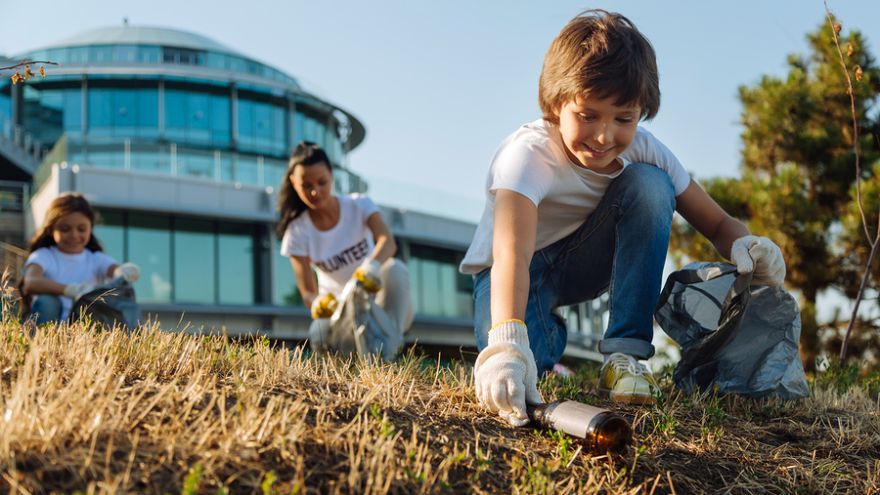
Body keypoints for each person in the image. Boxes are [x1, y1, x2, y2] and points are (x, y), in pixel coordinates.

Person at [459, 10, 787, 426]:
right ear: (557, 103)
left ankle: (625, 356)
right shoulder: (526, 155)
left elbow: (719, 224)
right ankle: (546, 334)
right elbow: (511, 254)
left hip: (582, 259)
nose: (603, 136)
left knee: (651, 185)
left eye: (623, 119)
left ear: (640, 113)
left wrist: (748, 246)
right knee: (526, 368)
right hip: (514, 269)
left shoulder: (647, 151)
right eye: (587, 115)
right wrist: (506, 342)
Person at [277, 141, 414, 352]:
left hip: (378, 303)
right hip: (340, 312)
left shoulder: (359, 205)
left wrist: (371, 267)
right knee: (318, 332)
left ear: (331, 175)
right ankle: (343, 367)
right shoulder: (297, 231)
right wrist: (317, 303)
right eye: (307, 185)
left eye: (322, 182)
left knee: (395, 268)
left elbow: (387, 241)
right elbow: (306, 291)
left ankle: (390, 348)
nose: (315, 192)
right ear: (294, 183)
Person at [21, 193, 140, 325]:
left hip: (84, 328)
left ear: (90, 229)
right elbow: (31, 282)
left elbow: (114, 269)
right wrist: (70, 290)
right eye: (65, 229)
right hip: (50, 326)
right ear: (51, 230)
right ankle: (41, 338)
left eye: (81, 229)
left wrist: (122, 271)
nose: (74, 235)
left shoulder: (96, 259)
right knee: (48, 301)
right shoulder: (44, 255)